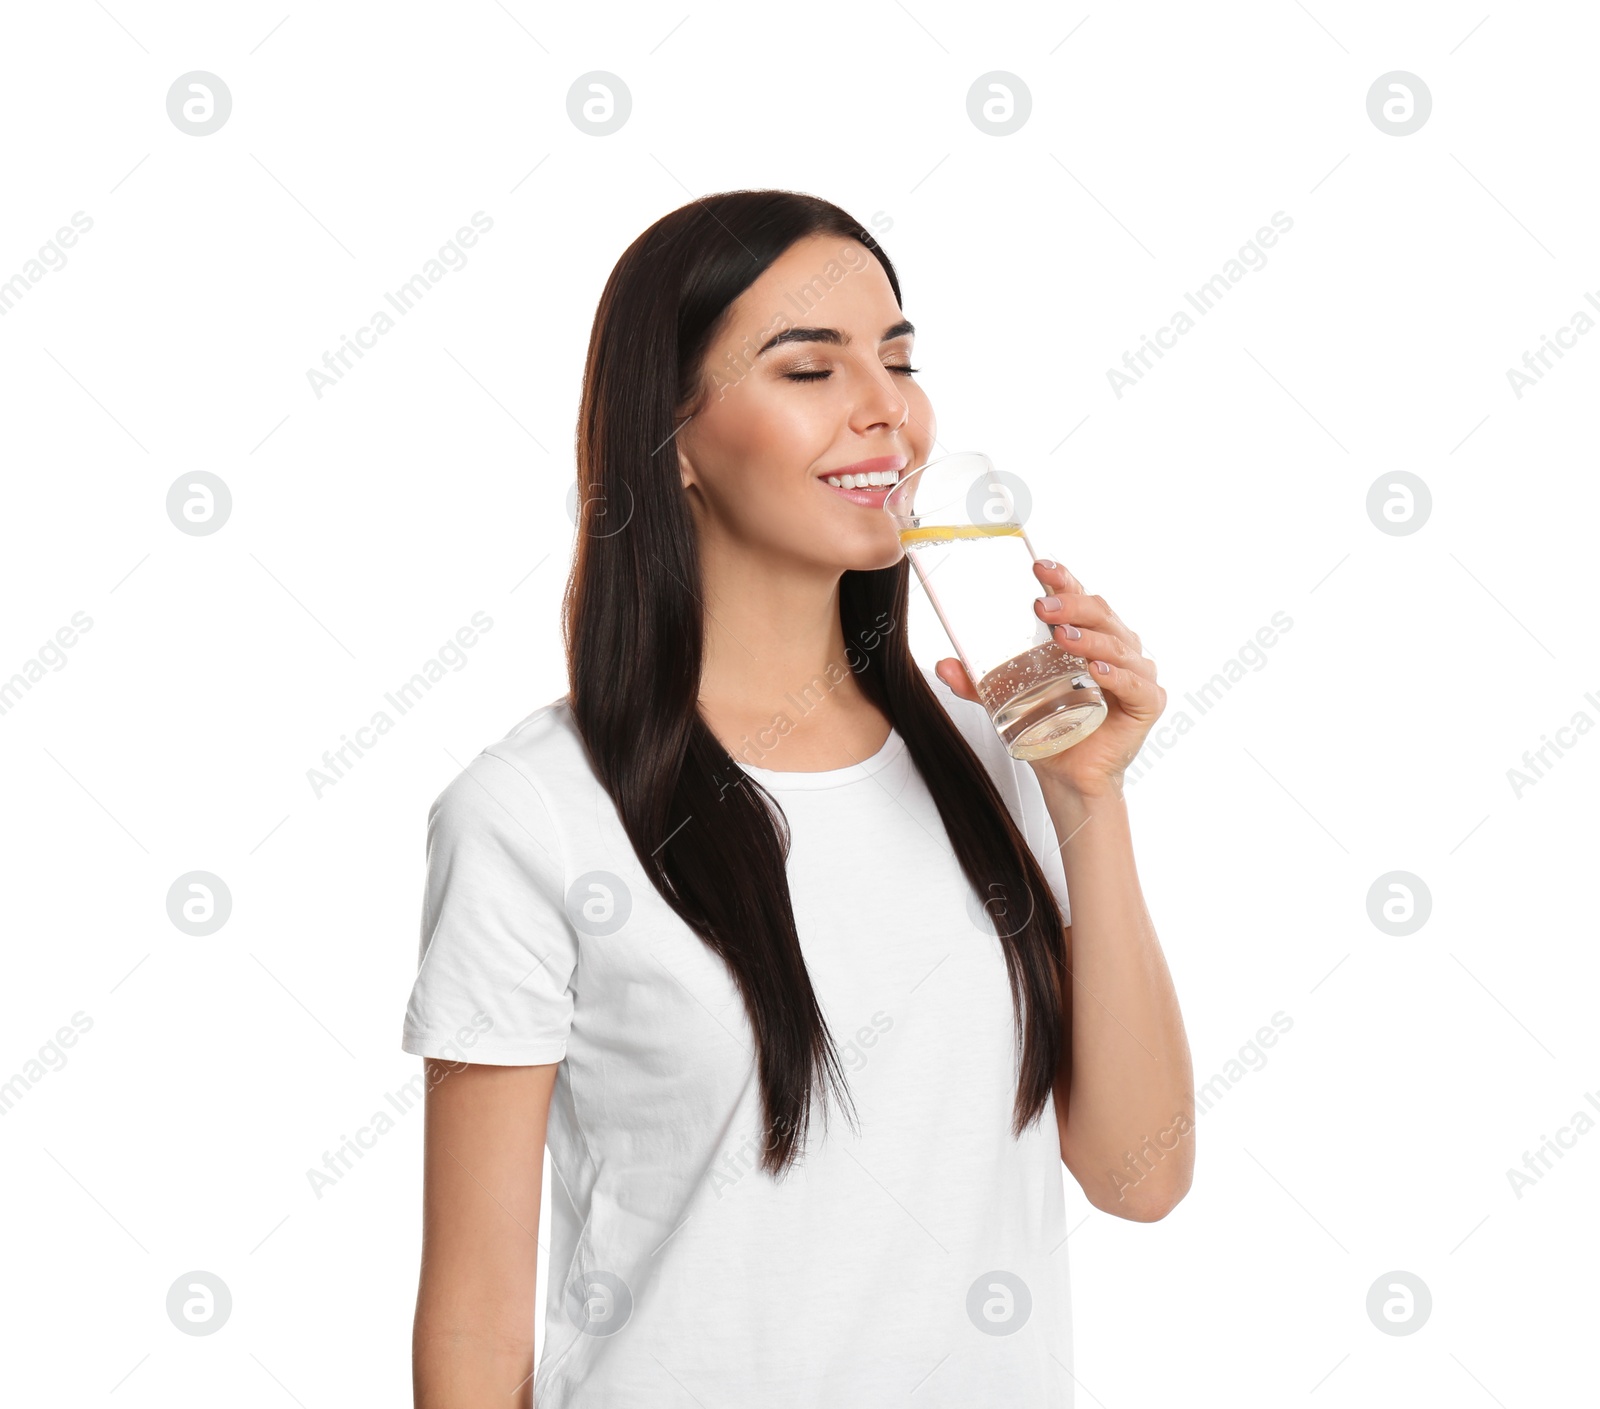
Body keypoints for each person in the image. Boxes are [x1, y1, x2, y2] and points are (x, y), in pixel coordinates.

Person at [403, 189, 1193, 1408]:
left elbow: (1140, 1176)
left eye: (900, 358)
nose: (889, 409)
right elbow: (471, 1323)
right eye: (810, 368)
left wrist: (1088, 796)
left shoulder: (997, 761)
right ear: (670, 437)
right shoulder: (532, 812)